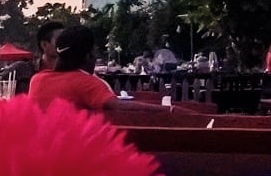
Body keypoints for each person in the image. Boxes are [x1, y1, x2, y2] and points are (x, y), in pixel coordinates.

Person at [29, 25, 176, 117]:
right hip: (73, 155)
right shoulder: (87, 82)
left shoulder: (37, 80)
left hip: (37, 154)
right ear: (88, 56)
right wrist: (170, 110)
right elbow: (120, 107)